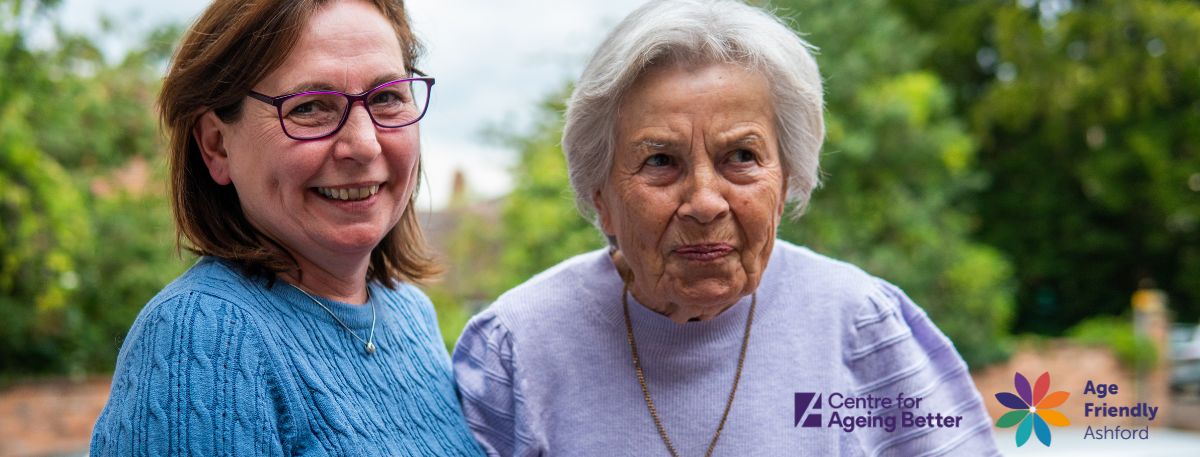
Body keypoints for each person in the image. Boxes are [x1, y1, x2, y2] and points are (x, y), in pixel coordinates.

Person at [452, 1, 1001, 456]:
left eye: (740, 155)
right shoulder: (516, 350)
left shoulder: (861, 327)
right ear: (602, 199)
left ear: (787, 179)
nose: (705, 202)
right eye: (660, 161)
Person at [90, 0, 483, 455]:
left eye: (387, 97)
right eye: (311, 107)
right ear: (217, 146)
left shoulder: (410, 314)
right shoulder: (203, 339)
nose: (363, 143)